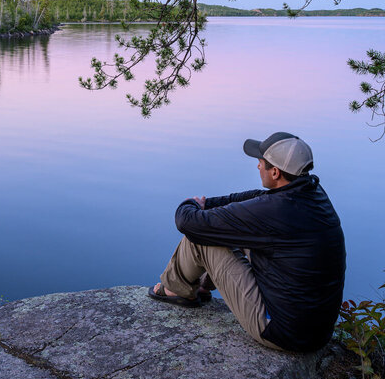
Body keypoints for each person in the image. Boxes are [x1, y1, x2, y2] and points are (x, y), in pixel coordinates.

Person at [147, 132, 345, 352]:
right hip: (316, 333)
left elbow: (188, 223)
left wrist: (189, 204)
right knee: (232, 229)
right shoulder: (312, 195)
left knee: (200, 238)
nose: (258, 166)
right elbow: (253, 199)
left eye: (261, 162)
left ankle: (176, 289)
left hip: (281, 332)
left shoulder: (275, 211)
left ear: (275, 172)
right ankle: (202, 285)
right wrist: (209, 204)